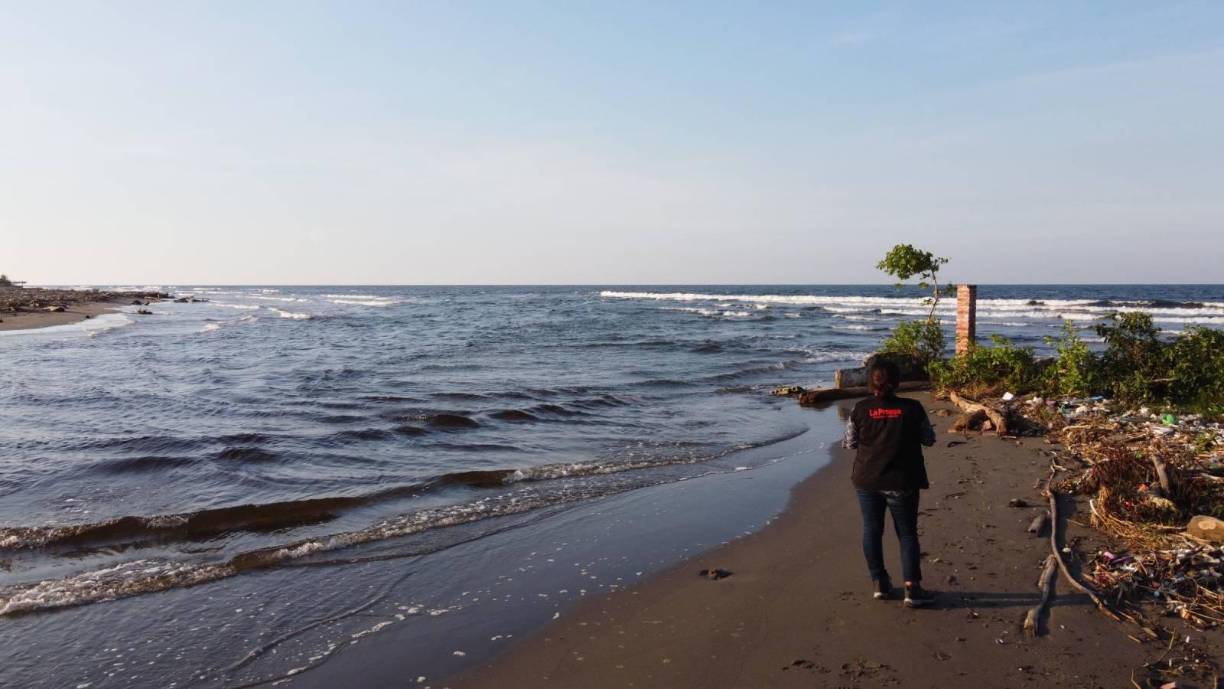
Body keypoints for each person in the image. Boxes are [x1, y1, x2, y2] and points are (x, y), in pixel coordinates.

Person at [842, 359, 937, 607]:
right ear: (897, 383)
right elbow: (929, 439)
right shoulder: (913, 408)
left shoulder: (860, 408)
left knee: (872, 529)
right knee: (906, 533)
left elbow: (850, 443)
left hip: (867, 479)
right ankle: (912, 588)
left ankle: (879, 583)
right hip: (902, 480)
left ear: (869, 381)